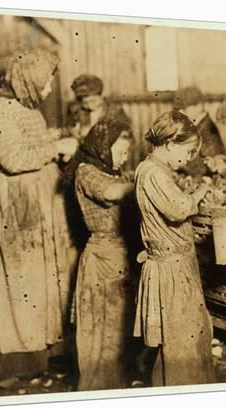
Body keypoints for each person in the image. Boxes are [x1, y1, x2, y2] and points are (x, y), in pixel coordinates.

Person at [0, 50, 80, 386]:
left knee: (36, 282)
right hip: (11, 205)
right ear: (28, 77)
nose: (48, 88)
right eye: (44, 80)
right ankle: (10, 364)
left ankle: (39, 356)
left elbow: (32, 143)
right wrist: (56, 147)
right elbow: (13, 158)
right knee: (15, 285)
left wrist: (54, 141)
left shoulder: (26, 109)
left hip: (36, 203)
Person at [133, 110, 216, 386]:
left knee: (185, 337)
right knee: (182, 340)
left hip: (176, 263)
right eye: (188, 151)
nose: (189, 158)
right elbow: (179, 209)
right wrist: (201, 191)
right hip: (171, 269)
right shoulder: (152, 173)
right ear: (170, 143)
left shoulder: (155, 171)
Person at [62, 119, 135, 391]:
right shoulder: (86, 172)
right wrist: (146, 181)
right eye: (121, 151)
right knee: (102, 329)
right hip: (102, 256)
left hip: (117, 254)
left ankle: (114, 387)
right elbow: (111, 192)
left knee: (116, 329)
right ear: (104, 147)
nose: (125, 157)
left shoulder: (110, 171)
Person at [172, 86, 224, 176]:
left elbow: (205, 166)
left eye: (184, 108)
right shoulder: (196, 126)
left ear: (199, 106)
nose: (181, 113)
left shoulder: (207, 129)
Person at [67, 74, 131, 140]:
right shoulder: (78, 111)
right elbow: (71, 126)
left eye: (93, 101)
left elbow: (126, 132)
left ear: (101, 96)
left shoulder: (115, 110)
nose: (90, 106)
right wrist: (74, 131)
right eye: (85, 103)